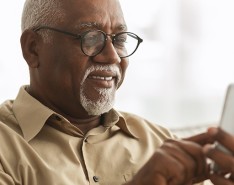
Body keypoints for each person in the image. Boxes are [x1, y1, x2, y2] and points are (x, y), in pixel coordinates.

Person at [0, 0, 233, 184]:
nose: (112, 56)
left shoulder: (162, 142)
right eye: (91, 38)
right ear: (33, 49)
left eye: (119, 39)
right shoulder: (6, 146)